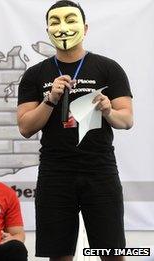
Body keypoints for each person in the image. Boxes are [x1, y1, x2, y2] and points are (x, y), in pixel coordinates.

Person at [17, 1, 133, 260]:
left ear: (85, 28)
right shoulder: (36, 74)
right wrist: (50, 100)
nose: (63, 27)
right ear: (48, 29)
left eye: (70, 20)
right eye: (56, 22)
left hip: (99, 169)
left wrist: (108, 111)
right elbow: (25, 127)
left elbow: (126, 120)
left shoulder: (108, 67)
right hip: (55, 172)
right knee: (59, 254)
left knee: (112, 252)